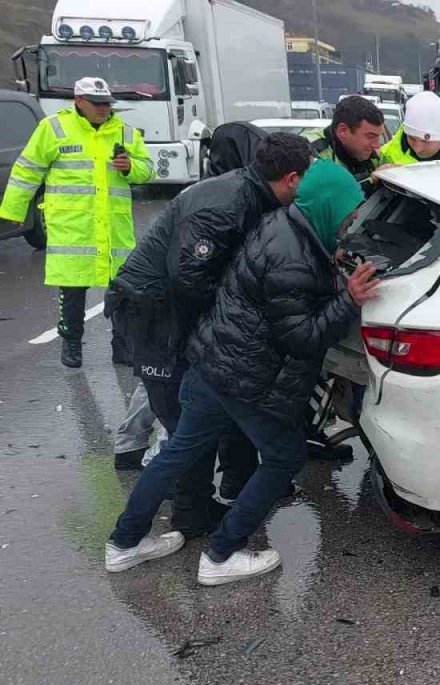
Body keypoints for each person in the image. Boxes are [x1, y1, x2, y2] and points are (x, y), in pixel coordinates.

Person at [107, 160, 379, 586]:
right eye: (345, 215)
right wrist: (349, 298)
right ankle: (222, 555)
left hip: (210, 362)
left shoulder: (282, 224)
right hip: (245, 378)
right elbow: (302, 337)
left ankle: (124, 543)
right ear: (327, 207)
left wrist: (332, 256)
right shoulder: (295, 260)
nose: (348, 225)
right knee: (284, 457)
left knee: (177, 451)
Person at [107, 133, 312, 539]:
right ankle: (172, 520)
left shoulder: (252, 195)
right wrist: (220, 331)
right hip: (155, 316)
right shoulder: (225, 204)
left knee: (197, 421)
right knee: (184, 425)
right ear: (291, 178)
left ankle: (194, 507)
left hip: (174, 314)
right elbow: (190, 280)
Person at [0, 77, 153, 368]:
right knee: (72, 291)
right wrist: (13, 210)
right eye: (97, 104)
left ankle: (122, 346)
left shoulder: (125, 133)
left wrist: (132, 166)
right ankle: (71, 343)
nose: (103, 109)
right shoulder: (54, 129)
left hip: (114, 228)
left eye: (107, 104)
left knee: (122, 290)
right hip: (73, 228)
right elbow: (27, 169)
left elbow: (148, 169)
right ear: (78, 101)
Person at [302, 95, 385, 190]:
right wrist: (370, 179)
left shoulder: (372, 156)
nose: (377, 145)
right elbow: (324, 194)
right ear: (343, 131)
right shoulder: (307, 151)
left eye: (378, 137)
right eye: (371, 137)